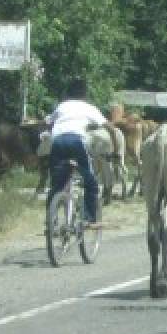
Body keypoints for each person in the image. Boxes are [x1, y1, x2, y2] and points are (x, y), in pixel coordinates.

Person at [45, 79, 106, 227]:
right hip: (76, 142)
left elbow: (48, 121)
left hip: (57, 143)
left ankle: (50, 220)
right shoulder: (89, 108)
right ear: (85, 94)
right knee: (91, 182)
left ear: (68, 93)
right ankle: (89, 218)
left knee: (56, 184)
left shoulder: (62, 106)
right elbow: (105, 124)